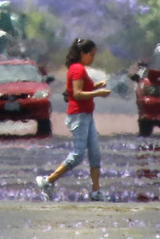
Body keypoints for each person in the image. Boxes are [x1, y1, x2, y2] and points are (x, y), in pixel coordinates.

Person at [37, 37, 109, 200]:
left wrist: (97, 86)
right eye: (91, 54)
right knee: (78, 155)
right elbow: (76, 94)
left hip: (87, 116)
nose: (93, 58)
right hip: (79, 117)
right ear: (82, 53)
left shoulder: (79, 69)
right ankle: (48, 181)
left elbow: (80, 89)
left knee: (95, 154)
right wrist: (98, 93)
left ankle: (96, 191)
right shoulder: (77, 69)